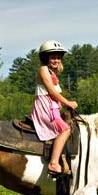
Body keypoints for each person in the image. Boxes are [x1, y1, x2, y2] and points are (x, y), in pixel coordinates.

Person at [31, 40, 78, 175]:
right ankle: (53, 163)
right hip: (45, 108)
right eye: (53, 57)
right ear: (46, 58)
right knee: (65, 130)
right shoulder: (43, 70)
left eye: (58, 57)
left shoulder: (52, 73)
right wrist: (68, 103)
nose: (56, 60)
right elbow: (52, 92)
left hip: (52, 108)